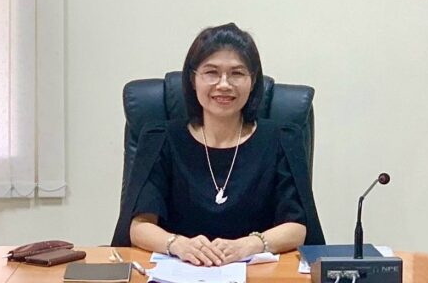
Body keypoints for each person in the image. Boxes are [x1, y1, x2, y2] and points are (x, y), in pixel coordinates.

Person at [111, 23, 324, 266]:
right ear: (193, 79)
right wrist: (178, 245)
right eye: (211, 73)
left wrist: (248, 245)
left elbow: (297, 228)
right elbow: (139, 226)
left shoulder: (281, 139)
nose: (224, 84)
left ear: (253, 80)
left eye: (237, 73)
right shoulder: (162, 139)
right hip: (179, 273)